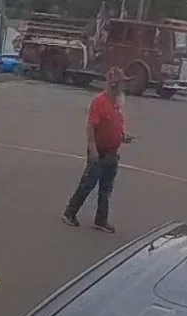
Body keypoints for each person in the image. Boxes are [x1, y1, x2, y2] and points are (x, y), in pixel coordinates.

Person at [62, 67, 134, 233]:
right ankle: (70, 212)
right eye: (122, 83)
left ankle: (101, 220)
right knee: (87, 184)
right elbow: (91, 127)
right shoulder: (100, 102)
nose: (125, 87)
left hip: (112, 153)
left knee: (106, 189)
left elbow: (116, 125)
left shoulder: (116, 103)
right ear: (114, 85)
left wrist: (123, 136)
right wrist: (92, 149)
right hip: (99, 151)